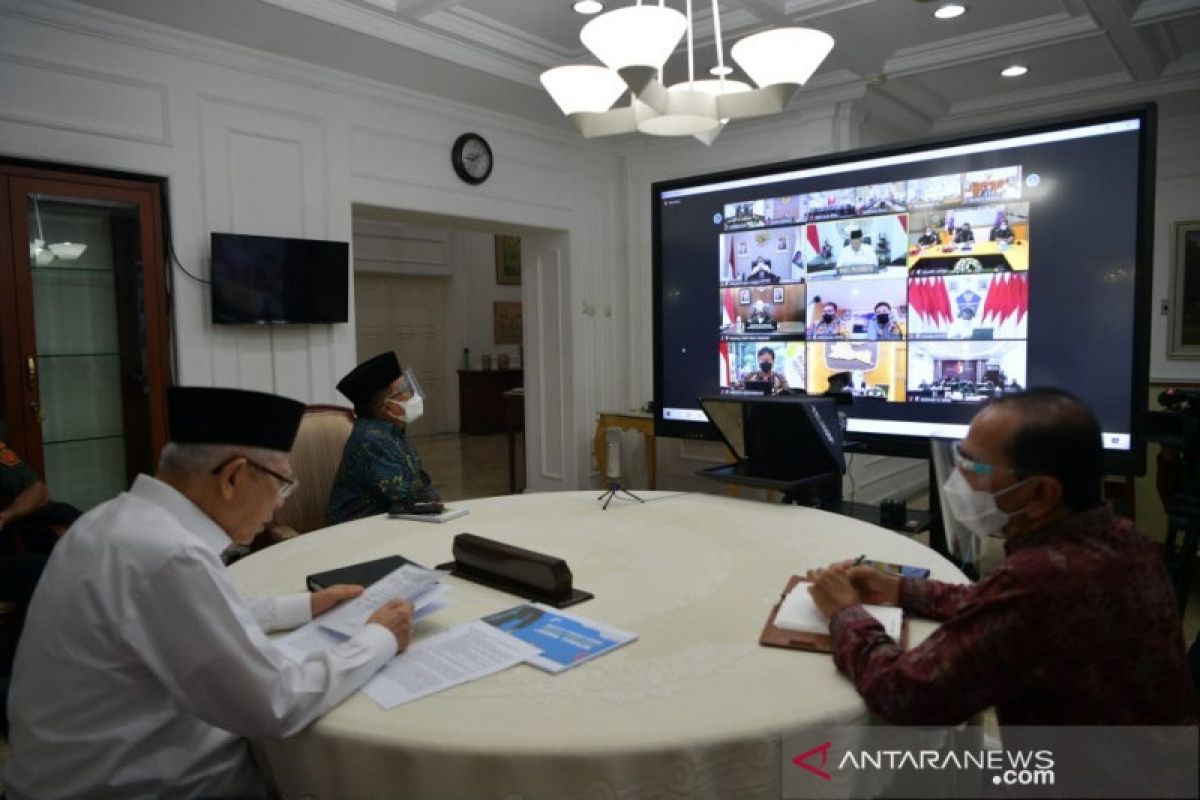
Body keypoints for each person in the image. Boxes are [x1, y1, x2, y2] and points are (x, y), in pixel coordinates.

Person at [4, 387, 414, 798]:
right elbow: (276, 704)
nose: (277, 507)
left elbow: (178, 619)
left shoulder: (112, 520)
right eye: (282, 485)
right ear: (234, 476)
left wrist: (304, 606)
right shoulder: (168, 554)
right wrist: (378, 637)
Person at [806, 388, 1198, 727]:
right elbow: (998, 604)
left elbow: (903, 695)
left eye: (972, 466)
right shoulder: (1125, 538)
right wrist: (898, 588)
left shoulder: (1041, 580)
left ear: (1040, 494)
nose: (958, 481)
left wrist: (845, 612)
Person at [329, 351, 440, 523]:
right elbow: (410, 496)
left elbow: (420, 486)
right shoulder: (372, 441)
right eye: (406, 390)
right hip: (356, 532)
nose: (413, 395)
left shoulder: (391, 430)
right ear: (387, 408)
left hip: (390, 522)